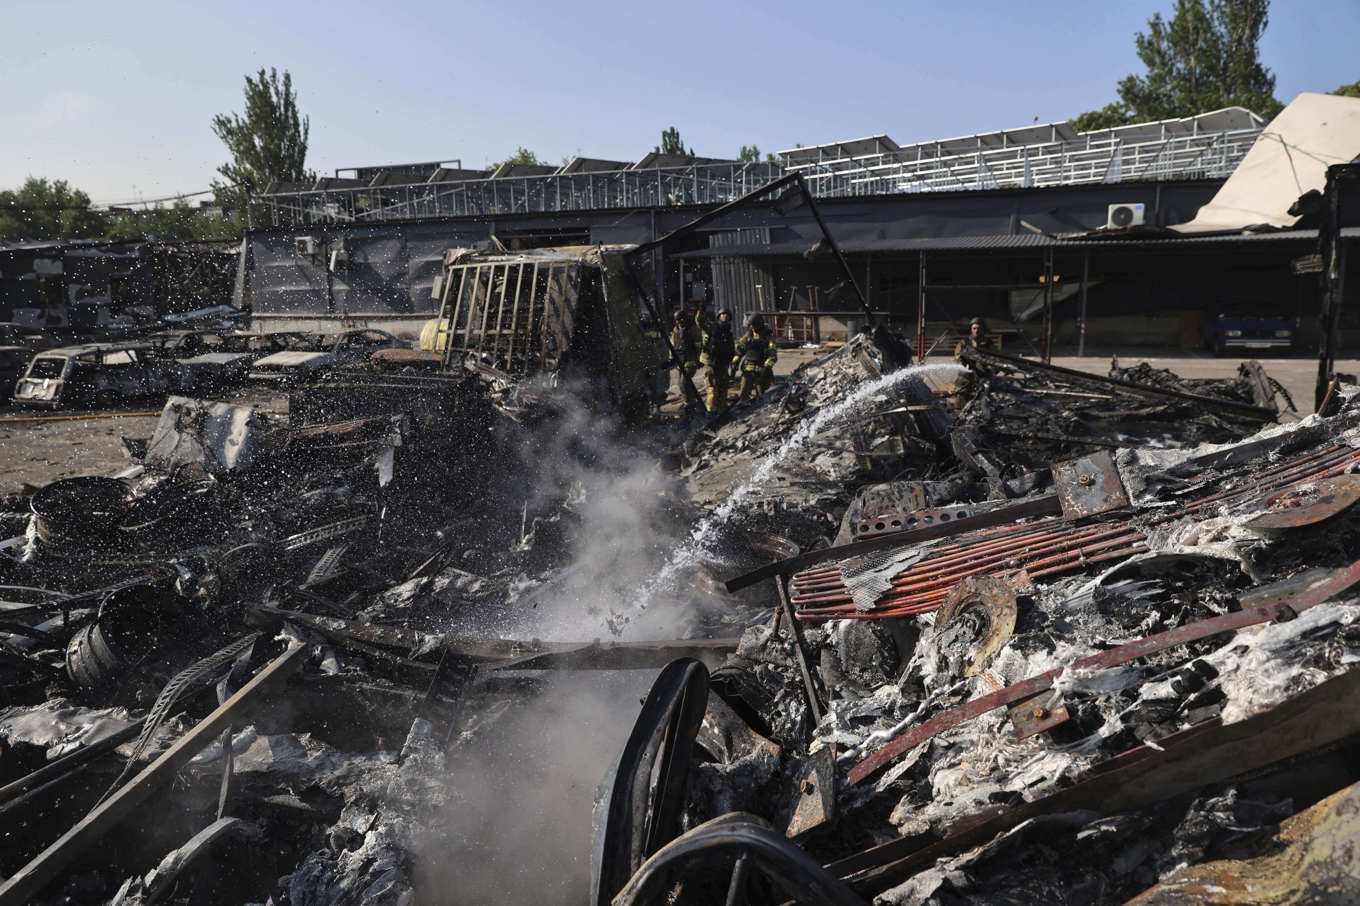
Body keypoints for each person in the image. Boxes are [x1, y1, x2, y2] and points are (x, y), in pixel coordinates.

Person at [733, 313, 778, 402]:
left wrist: (767, 367)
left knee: (762, 395)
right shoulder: (749, 335)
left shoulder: (768, 336)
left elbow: (773, 355)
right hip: (748, 368)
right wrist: (735, 360)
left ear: (759, 324)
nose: (752, 327)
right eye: (751, 325)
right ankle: (744, 411)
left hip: (762, 370)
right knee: (743, 393)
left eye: (754, 325)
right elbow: (740, 348)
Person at [699, 309, 736, 413]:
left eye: (727, 315)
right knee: (712, 389)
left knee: (723, 388)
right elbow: (699, 321)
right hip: (712, 363)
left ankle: (721, 410)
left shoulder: (728, 332)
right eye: (723, 314)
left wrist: (732, 361)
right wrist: (701, 308)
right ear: (719, 316)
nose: (725, 316)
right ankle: (710, 412)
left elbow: (731, 348)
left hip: (723, 363)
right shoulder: (712, 328)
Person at [953, 316, 997, 403]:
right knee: (961, 388)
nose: (976, 330)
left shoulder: (989, 344)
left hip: (984, 376)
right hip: (967, 375)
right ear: (971, 329)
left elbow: (995, 360)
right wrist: (964, 366)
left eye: (979, 328)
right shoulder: (964, 343)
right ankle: (959, 409)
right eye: (974, 328)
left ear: (984, 330)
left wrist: (989, 370)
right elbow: (957, 358)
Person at [670, 308, 703, 407]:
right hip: (680, 362)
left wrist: (698, 359)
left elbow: (698, 345)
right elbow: (673, 345)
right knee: (684, 386)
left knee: (684, 384)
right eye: (676, 320)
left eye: (680, 320)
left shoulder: (693, 330)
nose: (678, 322)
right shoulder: (676, 331)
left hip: (690, 361)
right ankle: (688, 402)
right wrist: (671, 358)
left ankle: (690, 403)